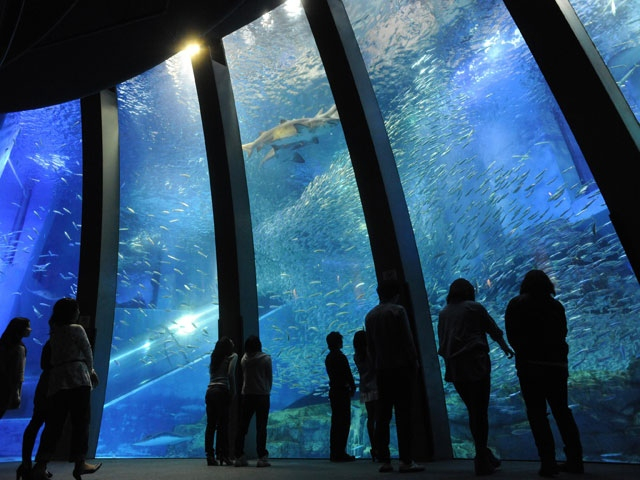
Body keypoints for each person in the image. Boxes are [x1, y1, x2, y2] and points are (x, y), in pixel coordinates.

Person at [505, 269, 583, 477]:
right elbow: (562, 333)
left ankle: (548, 463)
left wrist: (525, 353)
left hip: (530, 368)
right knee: (562, 412)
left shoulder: (516, 304)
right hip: (556, 366)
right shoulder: (556, 305)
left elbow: (512, 334)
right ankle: (576, 461)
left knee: (537, 415)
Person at [437, 278, 514, 476]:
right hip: (476, 365)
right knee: (480, 412)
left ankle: (484, 453)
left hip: (455, 370)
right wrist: (505, 348)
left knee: (473, 410)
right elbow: (493, 330)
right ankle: (481, 458)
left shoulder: (444, 312)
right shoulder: (474, 307)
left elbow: (444, 341)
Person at [31, 298, 101, 480]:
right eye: (77, 309)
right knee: (81, 422)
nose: (78, 312)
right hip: (78, 378)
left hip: (58, 381)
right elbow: (87, 351)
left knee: (54, 425)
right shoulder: (76, 329)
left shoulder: (55, 331)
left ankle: (40, 465)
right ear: (73, 312)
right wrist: (91, 371)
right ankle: (80, 463)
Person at [365, 279, 424, 473]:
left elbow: (370, 347)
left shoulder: (370, 316)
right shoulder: (398, 311)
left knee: (383, 415)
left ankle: (385, 460)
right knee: (403, 414)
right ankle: (406, 461)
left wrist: (375, 367)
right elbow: (407, 340)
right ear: (396, 294)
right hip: (401, 369)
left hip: (382, 371)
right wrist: (414, 363)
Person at [234, 334, 272, 468]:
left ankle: (239, 456)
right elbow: (269, 377)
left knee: (242, 426)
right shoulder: (266, 359)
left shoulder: (244, 359)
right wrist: (267, 390)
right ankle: (261, 457)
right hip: (262, 395)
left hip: (247, 395)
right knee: (261, 427)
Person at [17, 340, 52, 480]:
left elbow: (43, 364)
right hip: (53, 387)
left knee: (35, 423)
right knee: (50, 427)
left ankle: (26, 464)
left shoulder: (50, 342)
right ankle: (39, 466)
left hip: (44, 386)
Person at [204, 336, 238, 466]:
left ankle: (210, 455)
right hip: (222, 391)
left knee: (211, 425)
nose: (233, 343)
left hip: (210, 392)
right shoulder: (233, 356)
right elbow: (230, 374)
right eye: (231, 342)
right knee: (223, 425)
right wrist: (233, 392)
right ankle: (224, 455)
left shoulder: (214, 358)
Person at [325, 331, 356, 462]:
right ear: (338, 342)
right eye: (341, 340)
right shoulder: (340, 357)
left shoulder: (328, 357)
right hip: (342, 392)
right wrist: (353, 386)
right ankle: (341, 453)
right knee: (344, 422)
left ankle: (334, 452)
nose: (342, 342)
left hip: (333, 391)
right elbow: (348, 374)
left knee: (336, 422)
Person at [353, 329, 378, 462]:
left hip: (365, 388)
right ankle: (380, 447)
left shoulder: (356, 355)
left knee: (371, 418)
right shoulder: (370, 354)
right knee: (380, 418)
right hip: (376, 387)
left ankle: (374, 447)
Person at [0, 316, 31, 419]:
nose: (30, 329)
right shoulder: (19, 348)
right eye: (28, 327)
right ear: (20, 329)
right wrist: (16, 393)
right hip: (7, 388)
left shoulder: (3, 344)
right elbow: (18, 373)